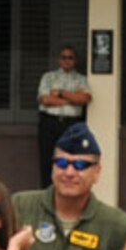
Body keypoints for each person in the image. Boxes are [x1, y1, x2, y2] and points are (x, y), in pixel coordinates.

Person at [12, 122, 126, 250]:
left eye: (80, 165)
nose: (69, 173)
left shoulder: (116, 223)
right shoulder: (20, 206)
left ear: (96, 172)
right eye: (61, 163)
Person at [36, 44, 92, 185]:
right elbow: (45, 99)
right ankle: (48, 194)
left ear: (75, 61)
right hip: (50, 123)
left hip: (71, 125)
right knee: (48, 161)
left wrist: (60, 93)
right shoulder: (49, 77)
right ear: (59, 60)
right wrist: (72, 99)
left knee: (70, 160)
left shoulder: (81, 79)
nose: (67, 60)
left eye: (70, 58)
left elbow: (84, 99)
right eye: (64, 57)